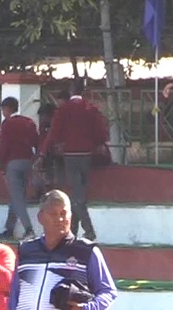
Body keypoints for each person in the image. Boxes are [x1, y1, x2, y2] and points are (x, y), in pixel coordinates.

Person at [41, 82, 107, 240]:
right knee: (80, 192)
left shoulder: (64, 109)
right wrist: (98, 143)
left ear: (71, 91)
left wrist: (45, 150)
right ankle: (73, 229)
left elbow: (55, 131)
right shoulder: (90, 108)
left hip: (70, 154)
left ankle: (88, 229)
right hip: (87, 154)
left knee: (76, 194)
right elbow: (100, 130)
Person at [0, 97, 39, 239]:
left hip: (12, 163)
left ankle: (28, 229)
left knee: (17, 197)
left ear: (7, 109)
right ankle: (9, 228)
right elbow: (36, 142)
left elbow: (4, 147)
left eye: (3, 109)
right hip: (27, 161)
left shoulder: (7, 124)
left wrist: (2, 166)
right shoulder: (29, 122)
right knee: (17, 195)